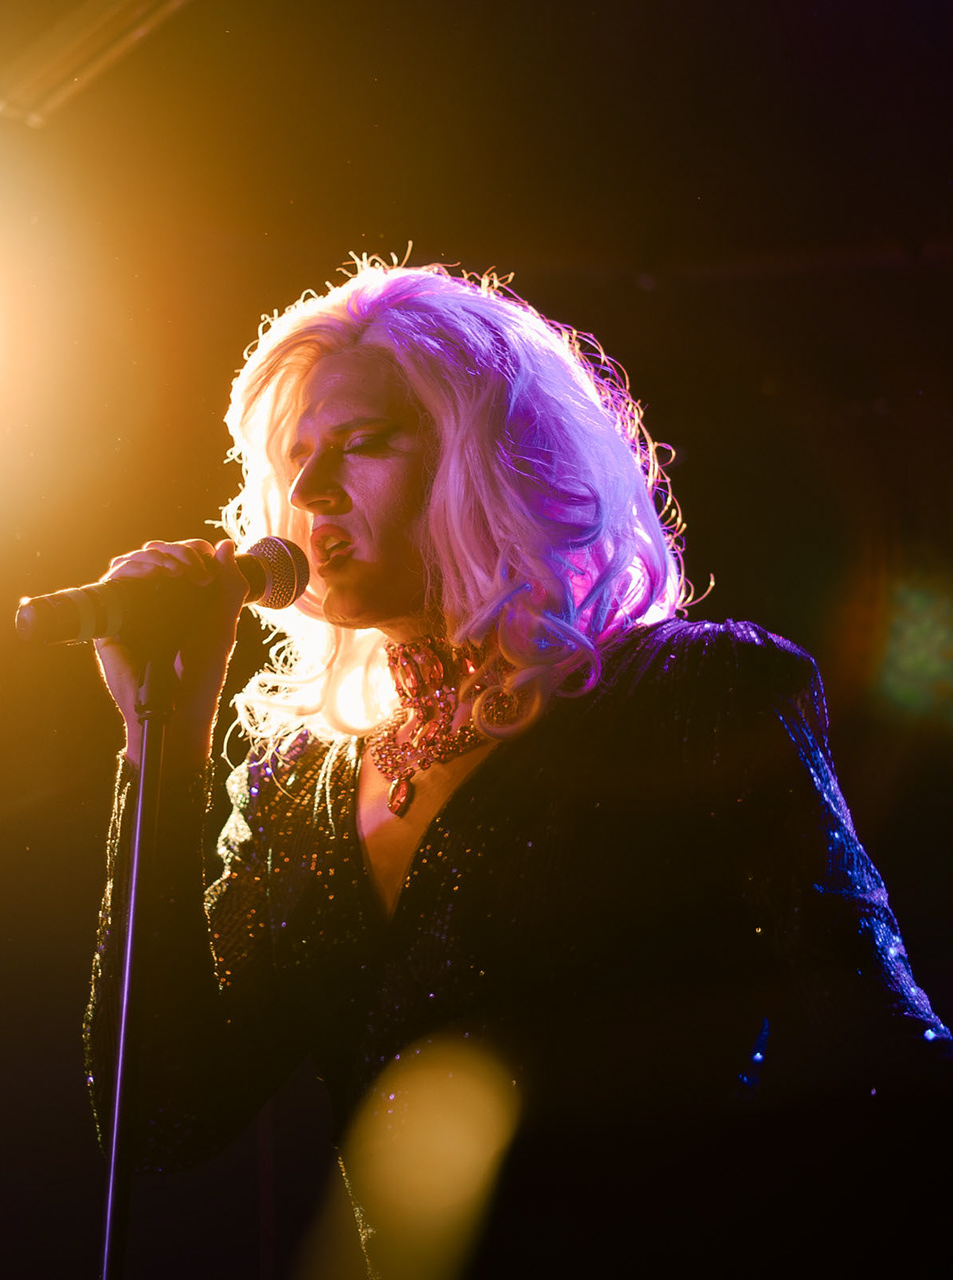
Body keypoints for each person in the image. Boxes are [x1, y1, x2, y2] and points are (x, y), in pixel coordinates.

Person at [82, 263, 951, 1273]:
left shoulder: (695, 693)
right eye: (295, 457)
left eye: (362, 443)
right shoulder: (297, 793)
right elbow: (165, 1114)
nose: (311, 491)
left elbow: (877, 1049)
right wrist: (161, 741)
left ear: (481, 459)